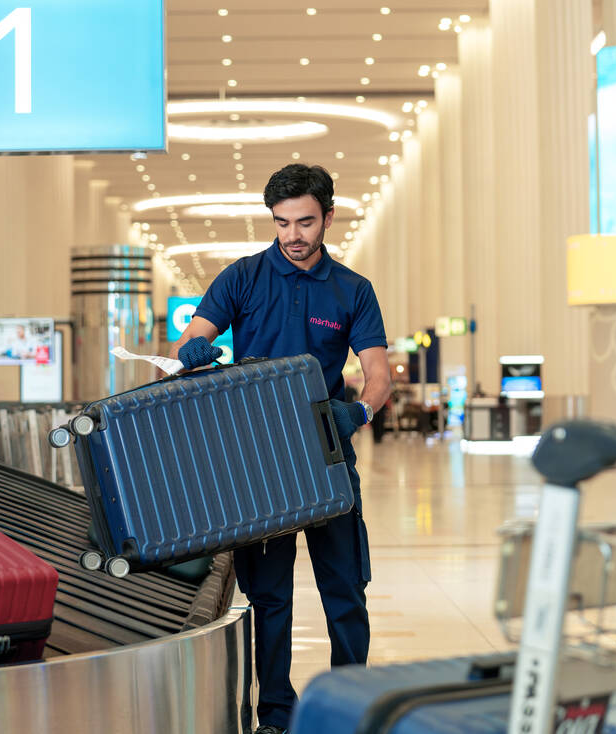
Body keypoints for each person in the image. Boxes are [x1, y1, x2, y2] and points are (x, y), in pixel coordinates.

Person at [170, 163, 391, 734]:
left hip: (324, 456)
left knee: (343, 591)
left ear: (328, 218)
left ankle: (349, 706)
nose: (293, 235)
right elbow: (195, 331)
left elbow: (378, 375)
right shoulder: (243, 277)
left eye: (305, 222)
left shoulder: (352, 290)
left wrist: (358, 411)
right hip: (257, 463)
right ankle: (275, 715)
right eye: (282, 222)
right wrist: (194, 348)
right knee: (269, 598)